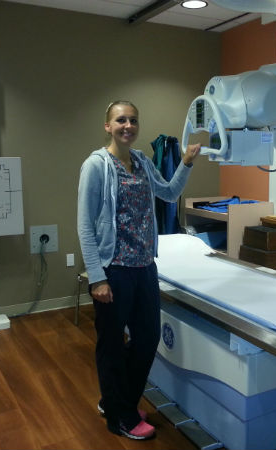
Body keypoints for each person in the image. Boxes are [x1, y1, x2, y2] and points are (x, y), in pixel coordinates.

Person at [77, 100, 200, 440]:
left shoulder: (143, 162)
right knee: (112, 346)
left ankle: (117, 402)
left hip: (145, 267)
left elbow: (170, 193)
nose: (127, 125)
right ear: (108, 126)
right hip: (114, 271)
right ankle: (122, 417)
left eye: (132, 120)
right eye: (120, 120)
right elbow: (85, 225)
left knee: (147, 340)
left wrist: (187, 162)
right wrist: (97, 278)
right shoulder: (96, 166)